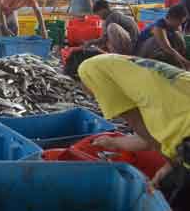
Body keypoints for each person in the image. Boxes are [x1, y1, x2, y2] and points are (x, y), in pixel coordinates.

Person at [65, 50, 190, 211]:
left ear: (79, 78)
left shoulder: (87, 68)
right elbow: (148, 139)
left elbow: (140, 126)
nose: (87, 94)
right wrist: (113, 142)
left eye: (80, 87)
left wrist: (173, 164)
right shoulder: (127, 66)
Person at [136, 5, 189, 69]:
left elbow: (182, 46)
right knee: (156, 41)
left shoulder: (176, 27)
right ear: (172, 18)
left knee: (178, 37)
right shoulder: (159, 26)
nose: (180, 25)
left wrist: (183, 60)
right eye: (179, 22)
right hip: (141, 53)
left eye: (182, 22)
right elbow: (167, 47)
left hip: (162, 51)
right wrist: (184, 61)